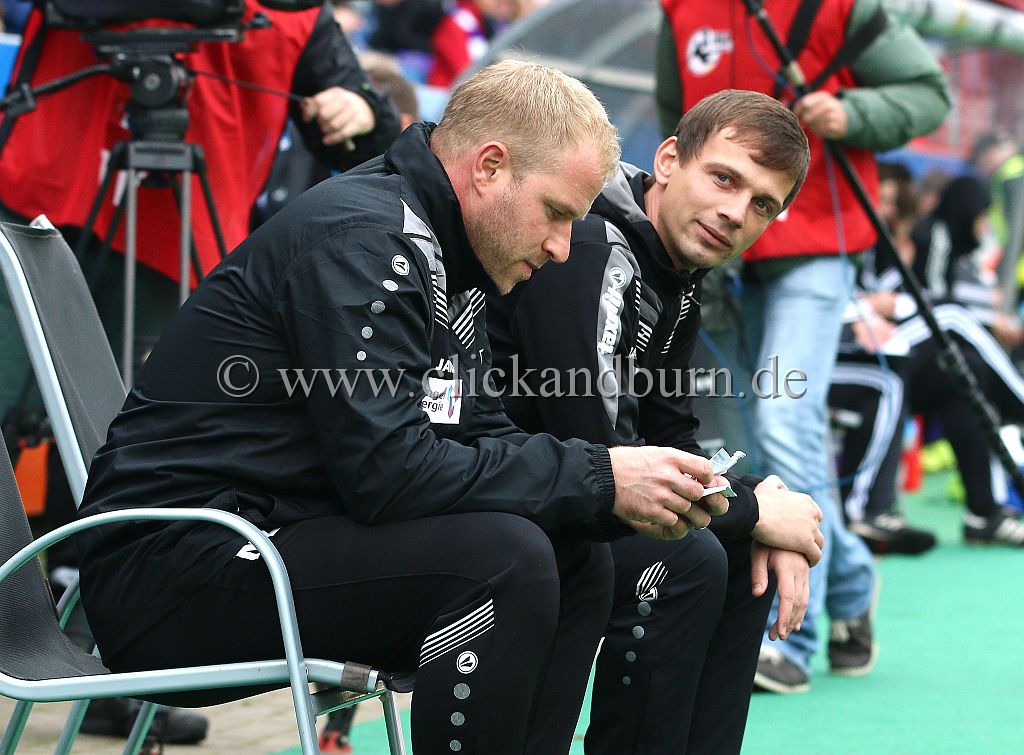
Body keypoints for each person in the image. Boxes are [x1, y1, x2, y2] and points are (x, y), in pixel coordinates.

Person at [74, 60, 731, 755]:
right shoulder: (364, 239)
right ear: (490, 168)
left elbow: (476, 431)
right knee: (504, 560)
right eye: (557, 213)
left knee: (577, 555)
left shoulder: (446, 248)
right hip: (169, 574)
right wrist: (599, 475)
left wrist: (603, 484)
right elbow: (389, 473)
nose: (562, 247)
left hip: (270, 533)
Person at [0, 1, 399, 743]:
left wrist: (358, 110)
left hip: (168, 243)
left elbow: (372, 137)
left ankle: (106, 672)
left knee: (126, 455)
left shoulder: (295, 14)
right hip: (36, 205)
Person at [486, 89, 825, 754]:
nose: (736, 213)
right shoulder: (592, 245)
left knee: (739, 555)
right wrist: (754, 510)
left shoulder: (677, 272)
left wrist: (760, 506)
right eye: (724, 178)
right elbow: (602, 455)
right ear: (669, 160)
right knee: (690, 557)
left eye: (763, 204)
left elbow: (671, 439)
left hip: (559, 491)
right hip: (503, 501)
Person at [656, 0, 951, 693]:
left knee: (785, 418)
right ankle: (849, 582)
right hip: (721, 251)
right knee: (743, 439)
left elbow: (928, 92)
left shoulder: (842, 4)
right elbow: (679, 118)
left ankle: (792, 639)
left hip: (816, 243)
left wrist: (851, 114)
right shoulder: (678, 9)